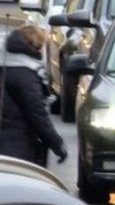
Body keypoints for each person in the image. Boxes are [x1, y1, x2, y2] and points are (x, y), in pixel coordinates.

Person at [0, 25, 68, 167]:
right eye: (41, 45)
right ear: (33, 45)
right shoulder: (25, 74)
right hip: (15, 145)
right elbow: (36, 113)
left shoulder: (6, 64)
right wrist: (57, 144)